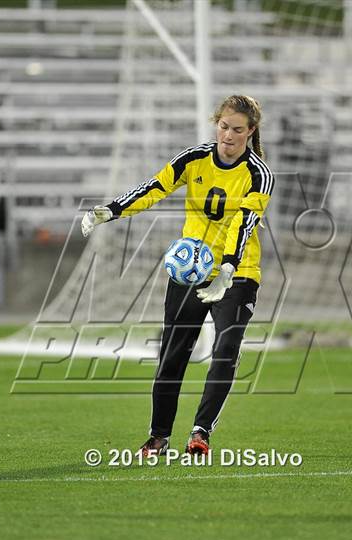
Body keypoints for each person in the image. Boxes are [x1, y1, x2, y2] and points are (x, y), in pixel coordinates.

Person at [81, 95, 274, 456]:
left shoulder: (259, 174)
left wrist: (228, 269)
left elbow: (245, 222)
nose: (228, 135)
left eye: (237, 129)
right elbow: (154, 188)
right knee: (173, 352)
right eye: (223, 126)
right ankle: (158, 436)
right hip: (191, 270)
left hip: (238, 273)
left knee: (225, 351)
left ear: (250, 131)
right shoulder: (194, 158)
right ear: (216, 124)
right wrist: (111, 210)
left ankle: (200, 433)